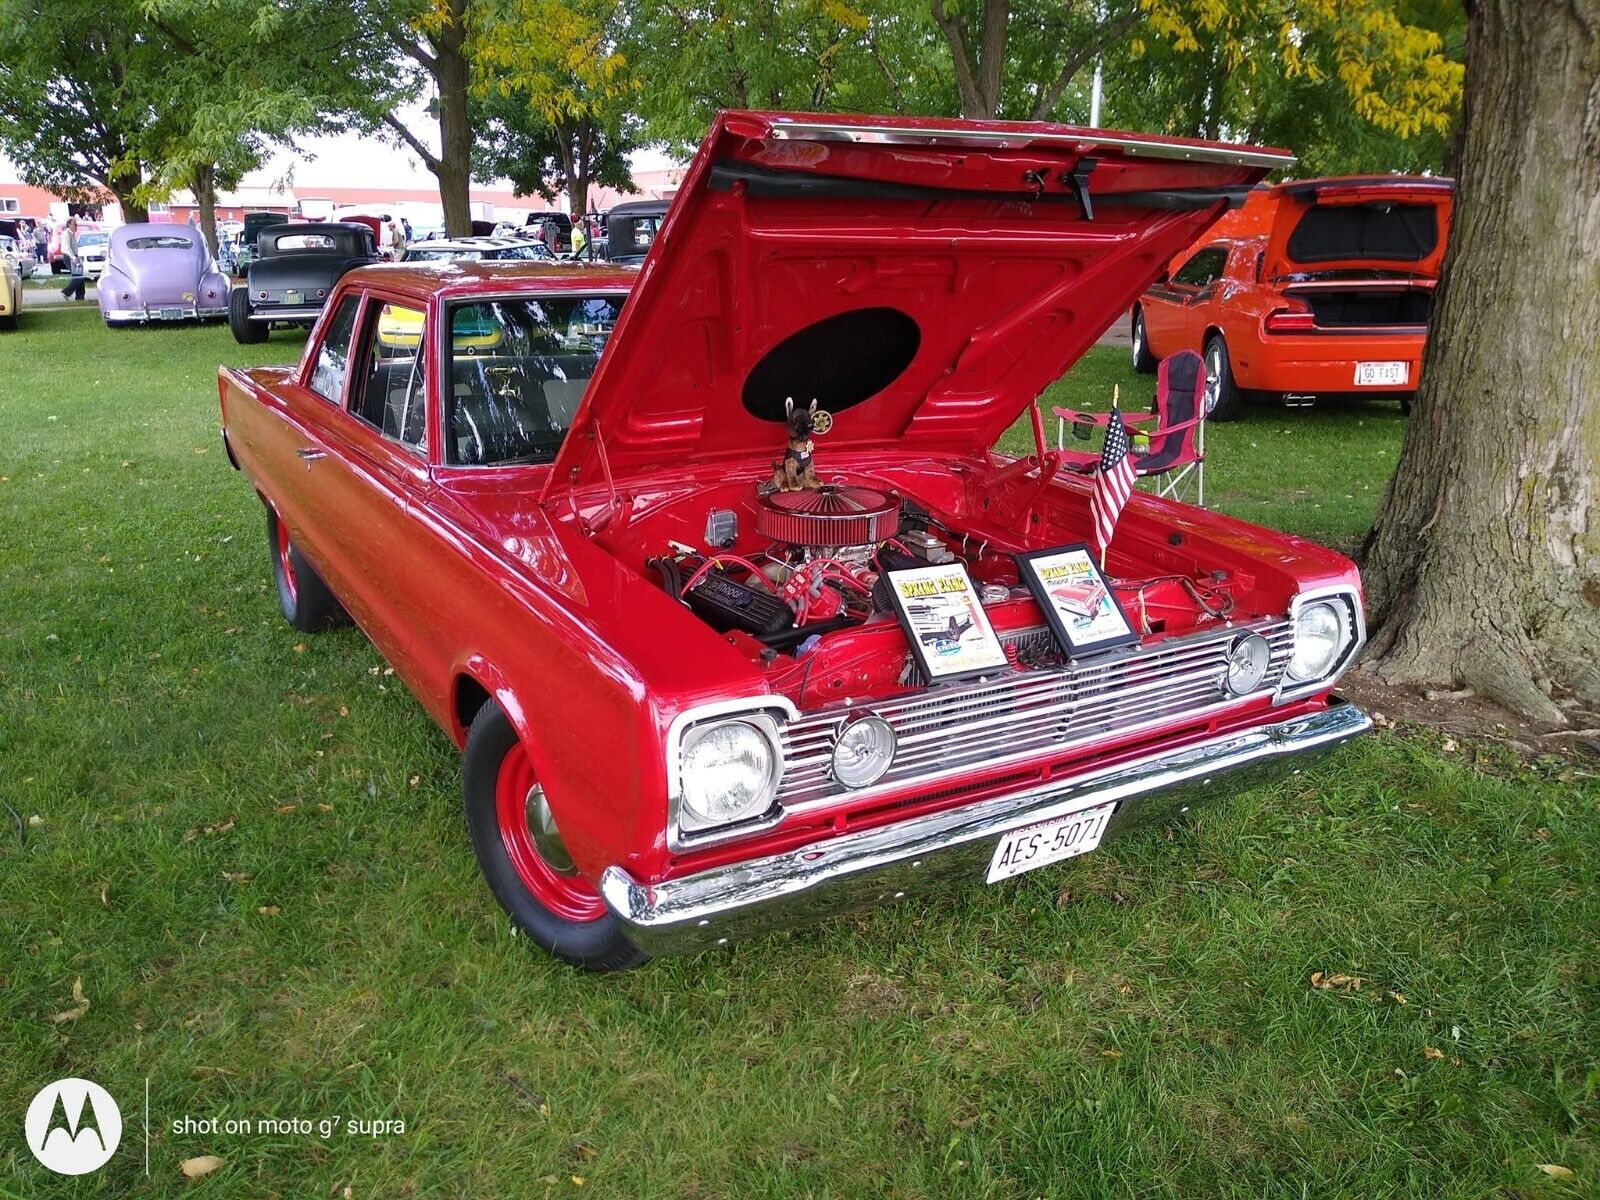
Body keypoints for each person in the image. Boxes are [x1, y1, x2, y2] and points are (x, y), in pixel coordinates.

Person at [59, 217, 87, 300]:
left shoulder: (71, 234)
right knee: (78, 276)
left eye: (76, 224)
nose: (76, 226)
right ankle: (66, 292)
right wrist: (73, 257)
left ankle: (80, 297)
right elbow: (67, 248)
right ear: (69, 225)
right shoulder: (66, 234)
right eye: (74, 224)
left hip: (74, 256)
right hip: (69, 257)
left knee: (79, 276)